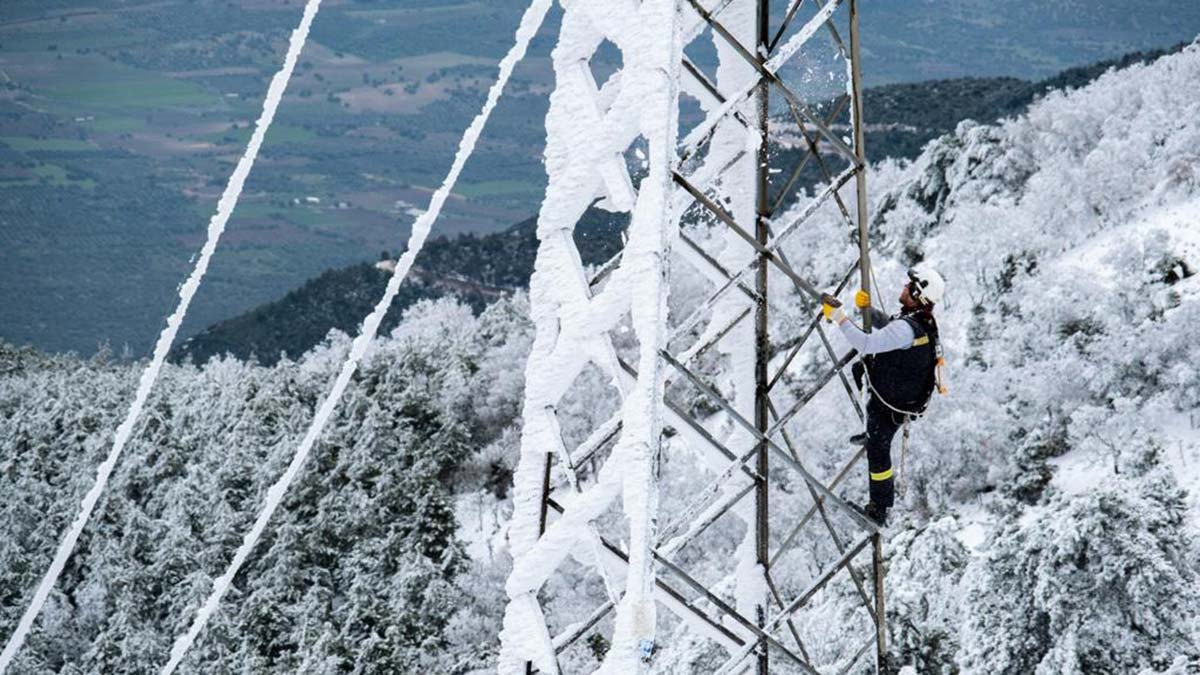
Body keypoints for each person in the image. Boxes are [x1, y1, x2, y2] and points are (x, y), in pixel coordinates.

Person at [821, 264, 946, 526]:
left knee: (878, 450)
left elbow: (866, 343)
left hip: (892, 404)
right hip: (899, 399)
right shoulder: (920, 322)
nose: (904, 286)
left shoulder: (908, 328)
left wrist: (840, 317)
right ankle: (870, 433)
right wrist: (867, 312)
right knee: (862, 376)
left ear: (917, 293)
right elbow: (891, 327)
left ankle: (878, 511)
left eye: (908, 285)